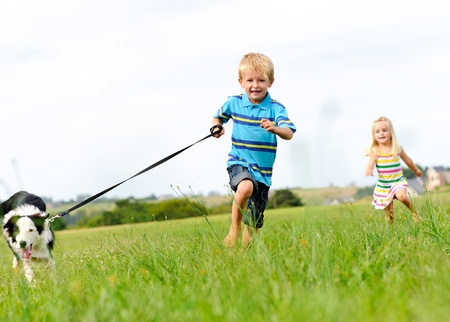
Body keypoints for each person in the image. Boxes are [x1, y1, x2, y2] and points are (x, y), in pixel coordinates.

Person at [211, 53, 296, 247]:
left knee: (254, 222)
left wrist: (275, 128)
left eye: (261, 80)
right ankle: (234, 229)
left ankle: (242, 258)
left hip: (264, 172)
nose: (255, 85)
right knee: (245, 187)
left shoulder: (276, 109)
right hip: (239, 161)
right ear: (241, 82)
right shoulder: (233, 102)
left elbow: (289, 132)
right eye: (250, 80)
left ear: (271, 82)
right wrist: (216, 127)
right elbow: (217, 118)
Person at [365, 116, 422, 223]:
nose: (381, 133)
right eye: (377, 131)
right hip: (384, 185)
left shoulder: (397, 147)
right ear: (374, 135)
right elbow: (370, 163)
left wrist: (415, 170)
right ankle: (391, 231)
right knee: (389, 213)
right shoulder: (375, 150)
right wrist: (369, 169)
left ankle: (414, 212)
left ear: (391, 132)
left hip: (397, 181)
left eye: (384, 130)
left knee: (402, 196)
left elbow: (408, 160)